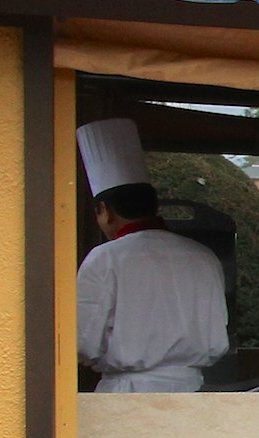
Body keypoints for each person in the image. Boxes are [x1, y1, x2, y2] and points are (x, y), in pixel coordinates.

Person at [74, 117, 230, 393]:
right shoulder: (203, 256)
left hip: (127, 395)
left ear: (105, 211)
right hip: (192, 393)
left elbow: (81, 341)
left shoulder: (105, 258)